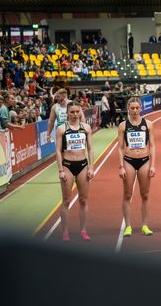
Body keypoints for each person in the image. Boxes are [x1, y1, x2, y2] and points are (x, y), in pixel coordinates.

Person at [55, 102, 94, 242]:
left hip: (83, 165)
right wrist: (60, 170)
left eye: (77, 111)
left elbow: (90, 148)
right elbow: (58, 151)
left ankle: (83, 230)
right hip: (67, 166)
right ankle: (65, 231)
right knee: (66, 200)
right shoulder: (61, 129)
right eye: (72, 112)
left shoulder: (86, 128)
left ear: (81, 112)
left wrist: (91, 166)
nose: (75, 114)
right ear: (67, 113)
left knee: (83, 200)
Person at [117, 97, 156, 237]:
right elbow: (120, 147)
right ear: (128, 108)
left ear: (141, 108)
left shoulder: (148, 124)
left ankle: (145, 225)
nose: (134, 110)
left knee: (145, 194)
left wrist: (153, 165)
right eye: (132, 108)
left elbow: (152, 145)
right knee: (127, 194)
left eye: (136, 108)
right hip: (128, 160)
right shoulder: (123, 125)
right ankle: (128, 226)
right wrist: (120, 166)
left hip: (144, 160)